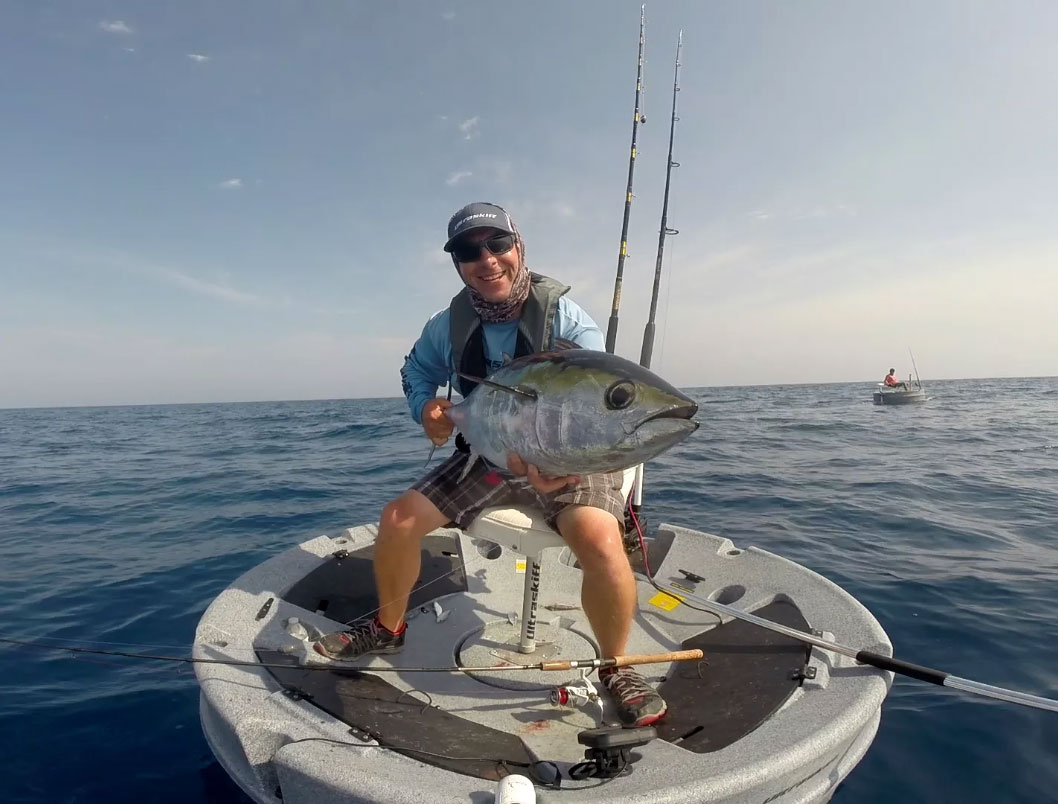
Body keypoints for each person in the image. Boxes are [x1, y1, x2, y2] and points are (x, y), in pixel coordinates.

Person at [315, 202, 666, 727]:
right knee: (397, 521)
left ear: (518, 248)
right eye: (468, 250)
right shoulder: (447, 326)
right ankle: (388, 628)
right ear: (458, 263)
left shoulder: (567, 320)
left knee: (599, 540)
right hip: (487, 453)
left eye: (497, 244)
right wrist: (427, 410)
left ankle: (616, 667)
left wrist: (564, 468)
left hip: (571, 456)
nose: (487, 259)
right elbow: (415, 373)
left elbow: (599, 403)